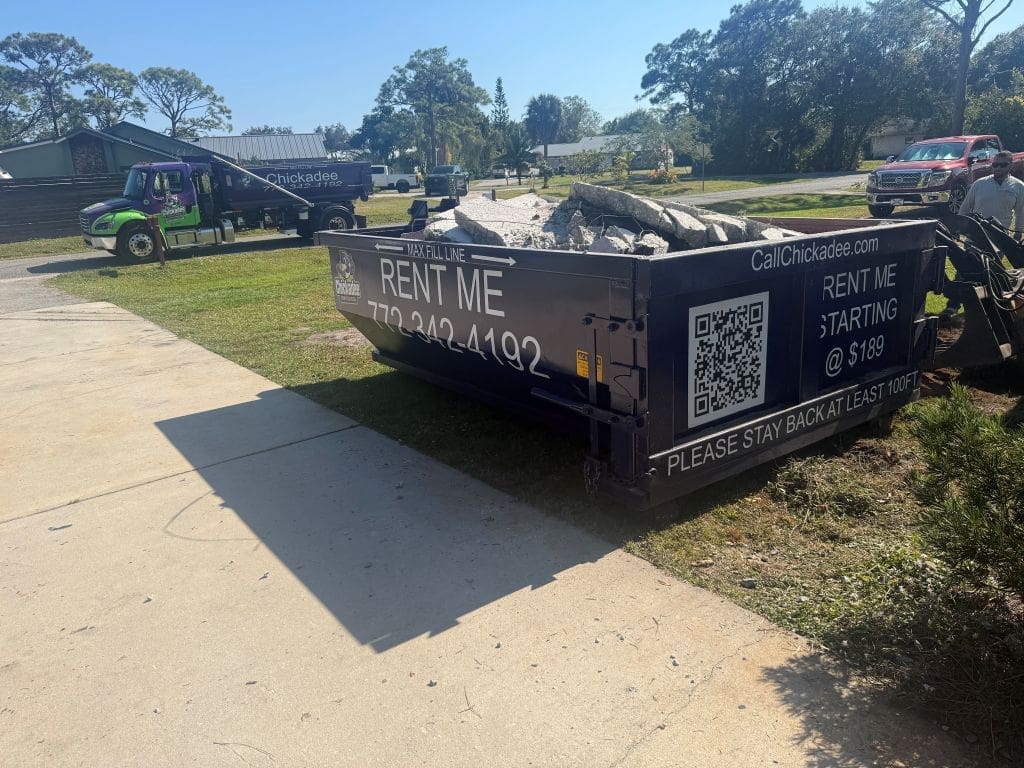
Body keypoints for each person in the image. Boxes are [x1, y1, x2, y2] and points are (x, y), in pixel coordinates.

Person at [941, 150, 1024, 317]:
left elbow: (1021, 212)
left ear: (1010, 165)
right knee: (964, 269)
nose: (998, 168)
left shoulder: (1018, 187)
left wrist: (1017, 235)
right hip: (975, 236)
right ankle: (953, 306)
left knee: (990, 273)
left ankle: (987, 308)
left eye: (1002, 165)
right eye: (995, 164)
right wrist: (959, 229)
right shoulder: (979, 184)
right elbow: (965, 208)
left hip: (998, 239)